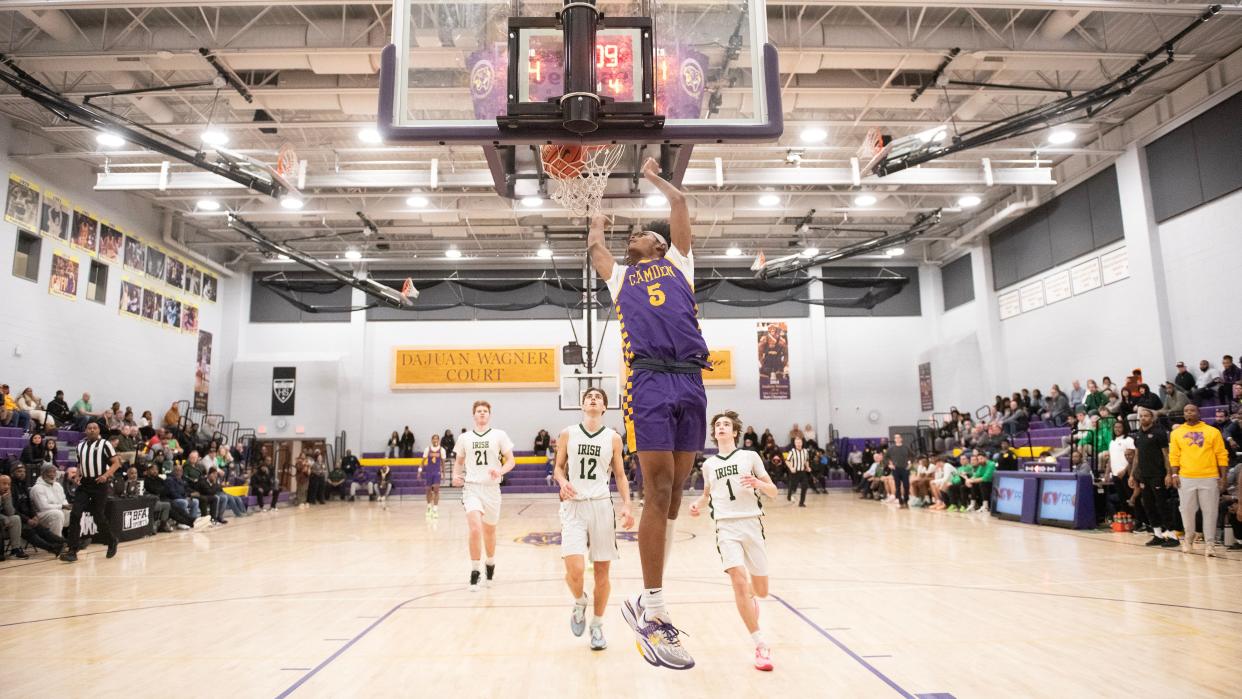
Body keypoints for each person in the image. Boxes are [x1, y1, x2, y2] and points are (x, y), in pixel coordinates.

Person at [587, 157, 709, 670]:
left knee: (677, 493)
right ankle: (655, 610)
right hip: (650, 380)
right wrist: (595, 213)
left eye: (643, 233)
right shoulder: (621, 278)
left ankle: (652, 593)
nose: (635, 234)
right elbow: (595, 250)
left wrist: (655, 178)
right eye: (630, 234)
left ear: (659, 245)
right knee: (657, 490)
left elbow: (678, 203)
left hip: (692, 379)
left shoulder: (679, 262)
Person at [689, 410, 778, 672]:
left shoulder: (750, 457)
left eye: (726, 424)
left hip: (752, 523)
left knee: (760, 591)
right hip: (726, 527)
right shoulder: (708, 464)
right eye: (717, 425)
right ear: (714, 433)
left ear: (735, 432)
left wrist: (758, 484)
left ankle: (753, 601)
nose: (721, 428)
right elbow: (707, 495)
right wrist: (697, 504)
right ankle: (760, 644)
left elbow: (772, 490)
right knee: (739, 581)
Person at [553, 387, 634, 652]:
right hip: (574, 506)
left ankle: (597, 625)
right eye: (589, 396)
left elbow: (620, 475)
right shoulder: (568, 433)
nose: (593, 398)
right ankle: (579, 601)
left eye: (598, 397)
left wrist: (627, 505)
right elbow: (558, 468)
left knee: (602, 572)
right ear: (582, 404)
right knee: (574, 569)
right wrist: (563, 482)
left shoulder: (612, 438)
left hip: (600, 506)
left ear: (604, 408)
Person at [451, 401, 516, 590]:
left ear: (489, 415)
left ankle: (490, 563)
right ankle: (474, 571)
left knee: (489, 531)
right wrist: (455, 476)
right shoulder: (465, 437)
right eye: (479, 411)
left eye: (485, 411)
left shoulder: (499, 435)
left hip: (492, 490)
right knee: (475, 529)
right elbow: (459, 461)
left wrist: (500, 471)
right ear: (474, 415)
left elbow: (511, 460)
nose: (482, 414)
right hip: (472, 488)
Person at [1170, 404, 1228, 556]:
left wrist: (1223, 477)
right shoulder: (1177, 433)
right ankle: (1188, 540)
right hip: (1186, 477)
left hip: (1209, 476)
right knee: (1187, 511)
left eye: (1192, 410)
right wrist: (1174, 474)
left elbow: (1221, 455)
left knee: (1210, 511)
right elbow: (1174, 455)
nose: (1189, 413)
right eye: (1186, 410)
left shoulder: (1212, 432)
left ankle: (1210, 544)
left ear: (1199, 413)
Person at [61, 422, 119, 562]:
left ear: (98, 430)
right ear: (85, 430)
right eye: (89, 428)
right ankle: (73, 550)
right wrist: (78, 475)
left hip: (99, 483)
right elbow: (80, 463)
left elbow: (116, 463)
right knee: (75, 514)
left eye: (95, 428)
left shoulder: (105, 444)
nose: (92, 430)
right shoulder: (80, 445)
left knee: (98, 516)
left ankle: (112, 540)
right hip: (85, 484)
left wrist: (106, 475)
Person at [1, 475, 29, 560]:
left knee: (15, 518)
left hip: (3, 520)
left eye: (9, 484)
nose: (7, 486)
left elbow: (10, 512)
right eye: (4, 483)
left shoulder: (6, 494)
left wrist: (6, 499)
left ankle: (15, 549)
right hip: (2, 519)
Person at [422, 434, 446, 517]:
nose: (435, 440)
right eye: (433, 439)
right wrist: (419, 470)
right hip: (429, 472)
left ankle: (435, 509)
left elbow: (443, 463)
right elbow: (423, 461)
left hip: (437, 472)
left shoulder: (442, 450)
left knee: (436, 490)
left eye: (436, 439)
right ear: (431, 440)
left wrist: (444, 473)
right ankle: (429, 507)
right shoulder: (427, 449)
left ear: (438, 440)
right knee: (428, 490)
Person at [785, 436, 812, 507]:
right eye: (797, 443)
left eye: (799, 442)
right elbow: (787, 461)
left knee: (805, 486)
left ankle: (801, 503)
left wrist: (808, 467)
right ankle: (789, 496)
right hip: (794, 472)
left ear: (802, 443)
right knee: (792, 487)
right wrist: (791, 468)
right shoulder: (792, 452)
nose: (798, 444)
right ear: (795, 443)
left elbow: (806, 460)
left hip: (802, 472)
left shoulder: (805, 451)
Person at [887, 433, 912, 509]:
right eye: (895, 438)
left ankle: (906, 501)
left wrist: (910, 463)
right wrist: (889, 464)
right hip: (896, 469)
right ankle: (900, 501)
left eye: (898, 437)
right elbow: (886, 457)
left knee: (906, 485)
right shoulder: (891, 448)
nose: (897, 439)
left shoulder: (906, 447)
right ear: (894, 439)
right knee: (897, 486)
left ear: (901, 439)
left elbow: (912, 456)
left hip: (905, 468)